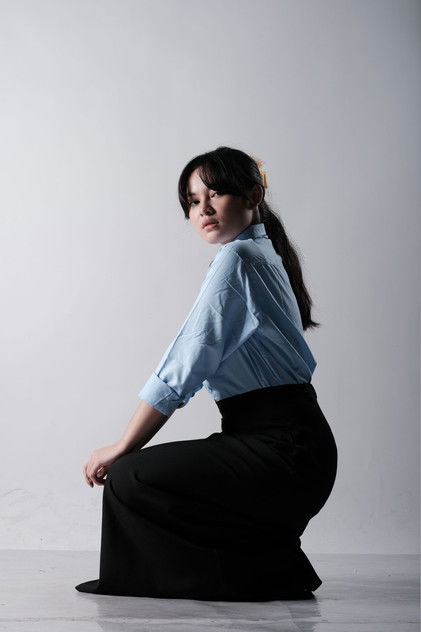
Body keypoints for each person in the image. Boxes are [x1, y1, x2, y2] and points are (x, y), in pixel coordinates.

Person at [75, 145, 338, 601]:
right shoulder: (260, 254)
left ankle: (237, 576)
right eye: (193, 201)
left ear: (253, 195)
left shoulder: (238, 260)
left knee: (129, 476)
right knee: (151, 475)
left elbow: (184, 366)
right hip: (298, 450)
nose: (203, 209)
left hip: (283, 453)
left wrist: (122, 446)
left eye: (215, 194)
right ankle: (266, 570)